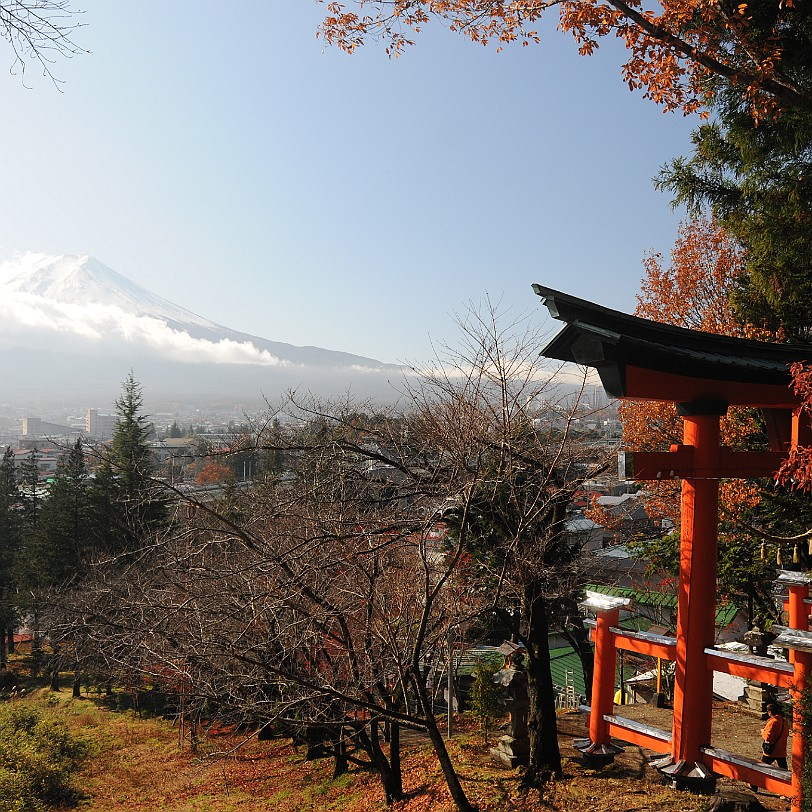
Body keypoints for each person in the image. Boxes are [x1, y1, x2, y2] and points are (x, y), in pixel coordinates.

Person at [760, 702, 789, 770]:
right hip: (781, 750)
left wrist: (762, 731)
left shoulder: (772, 722)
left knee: (762, 769)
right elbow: (786, 734)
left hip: (771, 751)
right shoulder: (784, 721)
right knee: (784, 770)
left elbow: (767, 737)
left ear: (769, 712)